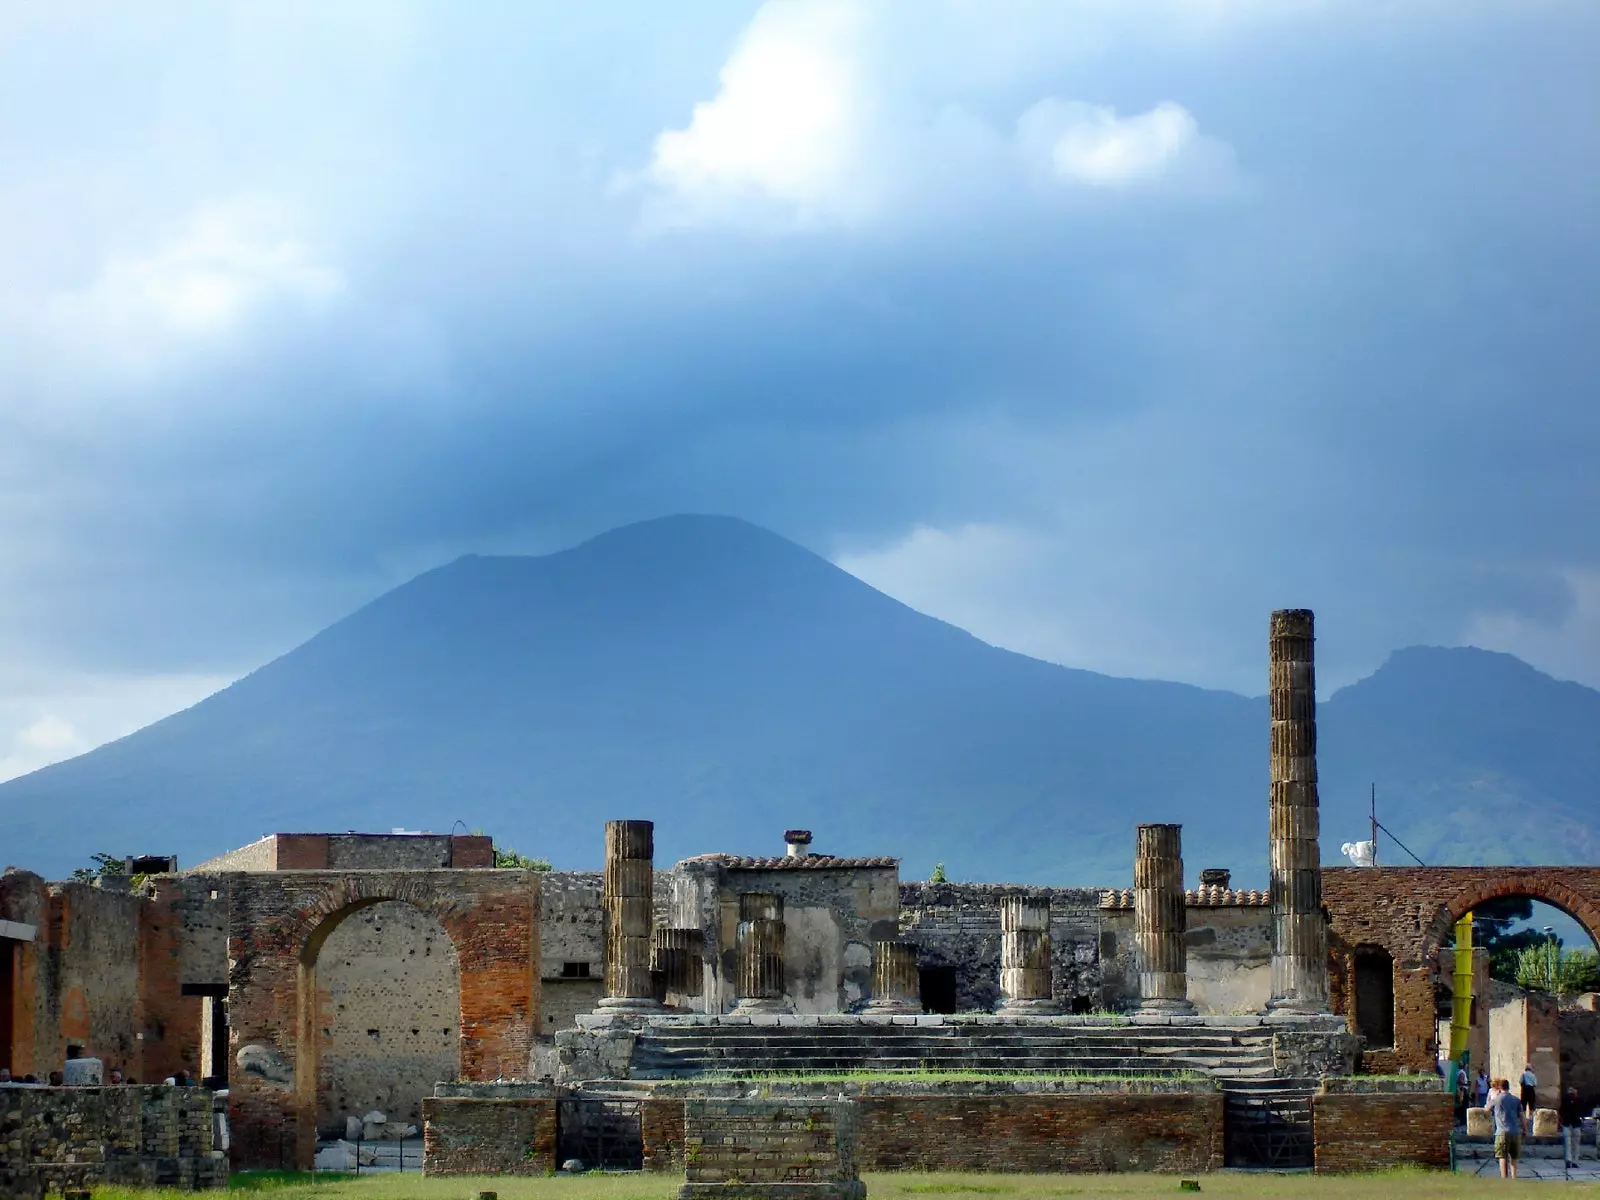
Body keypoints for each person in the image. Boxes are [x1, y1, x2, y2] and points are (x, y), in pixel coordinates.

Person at [1490, 1077, 1523, 1179]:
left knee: (1502, 1156)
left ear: (1500, 1087)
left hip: (1501, 1131)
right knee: (1514, 1157)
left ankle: (1504, 1177)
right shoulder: (1516, 1100)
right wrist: (1525, 1129)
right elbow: (1522, 1116)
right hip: (1515, 1131)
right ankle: (1514, 1176)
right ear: (1508, 1087)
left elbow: (1487, 1109)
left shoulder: (1496, 1099)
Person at [1560, 1086, 1584, 1167]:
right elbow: (1561, 1111)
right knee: (1567, 1143)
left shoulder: (1579, 1101)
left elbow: (1582, 1111)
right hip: (1567, 1123)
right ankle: (1568, 1160)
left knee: (1576, 1143)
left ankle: (1575, 1161)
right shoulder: (1565, 1100)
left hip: (1576, 1124)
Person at [1521, 1064, 1539, 1135]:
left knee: (1524, 1106)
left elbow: (1520, 1082)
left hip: (1525, 1090)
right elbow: (1535, 1084)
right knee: (1531, 1106)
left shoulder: (1523, 1074)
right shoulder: (1533, 1075)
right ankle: (1531, 1121)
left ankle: (1524, 1120)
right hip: (1531, 1090)